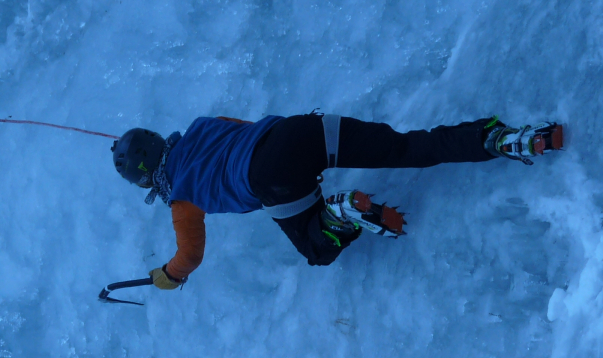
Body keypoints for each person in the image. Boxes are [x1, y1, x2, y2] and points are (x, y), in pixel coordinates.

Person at [110, 113, 563, 290]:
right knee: (407, 147)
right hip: (296, 131)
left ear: (143, 180)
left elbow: (191, 254)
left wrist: (168, 276)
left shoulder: (182, 203)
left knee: (315, 247)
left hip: (268, 177)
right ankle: (507, 139)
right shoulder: (202, 125)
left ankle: (341, 212)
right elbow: (245, 128)